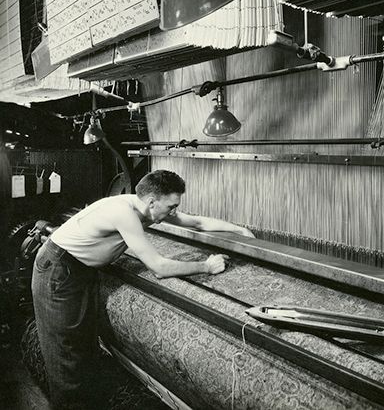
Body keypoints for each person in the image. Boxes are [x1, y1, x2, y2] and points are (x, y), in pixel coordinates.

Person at [31, 169, 254, 410]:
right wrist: (207, 266)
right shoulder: (124, 213)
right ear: (152, 201)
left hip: (79, 271)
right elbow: (158, 267)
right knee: (67, 357)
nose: (174, 212)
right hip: (59, 270)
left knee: (85, 350)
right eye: (171, 206)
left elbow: (197, 221)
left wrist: (239, 230)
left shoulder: (147, 208)